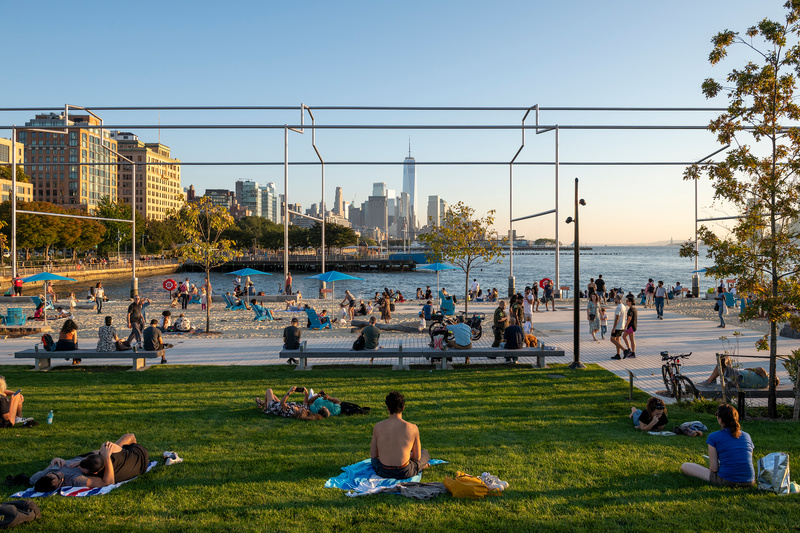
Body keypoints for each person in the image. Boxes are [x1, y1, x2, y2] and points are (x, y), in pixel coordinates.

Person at [32, 433, 150, 491]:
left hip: (92, 458)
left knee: (110, 448)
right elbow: (108, 483)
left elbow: (33, 479)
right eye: (59, 478)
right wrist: (106, 457)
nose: (60, 473)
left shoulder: (38, 478)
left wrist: (55, 460)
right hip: (103, 459)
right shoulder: (76, 479)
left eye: (54, 473)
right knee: (112, 445)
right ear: (58, 485)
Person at [680, 404, 755, 488]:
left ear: (720, 419)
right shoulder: (746, 436)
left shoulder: (713, 437)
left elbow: (714, 468)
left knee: (685, 466)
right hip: (749, 481)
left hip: (727, 480)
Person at [370, 391, 430, 479]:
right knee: (425, 453)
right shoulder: (413, 428)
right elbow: (417, 457)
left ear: (387, 408)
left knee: (374, 461)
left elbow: (374, 456)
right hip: (404, 471)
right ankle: (421, 466)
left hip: (383, 471)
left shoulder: (378, 426)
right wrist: (406, 454)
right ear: (403, 407)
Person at [701, 355, 777, 389]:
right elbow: (748, 369)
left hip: (738, 377)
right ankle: (712, 378)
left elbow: (761, 369)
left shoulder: (766, 379)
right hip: (737, 380)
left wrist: (753, 370)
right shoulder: (764, 384)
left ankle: (709, 380)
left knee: (724, 360)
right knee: (722, 365)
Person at [256, 386, 327, 420]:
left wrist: (289, 392)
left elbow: (282, 402)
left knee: (269, 390)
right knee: (273, 396)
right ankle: (261, 403)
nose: (301, 408)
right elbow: (305, 402)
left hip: (274, 407)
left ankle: (266, 408)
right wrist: (306, 394)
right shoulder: (304, 409)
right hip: (278, 405)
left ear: (299, 413)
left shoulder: (291, 411)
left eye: (301, 409)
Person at [610, 295, 627, 360]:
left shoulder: (618, 307)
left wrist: (614, 327)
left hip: (618, 326)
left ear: (617, 299)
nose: (614, 300)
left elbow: (617, 318)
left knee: (612, 339)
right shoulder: (623, 306)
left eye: (615, 299)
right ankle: (618, 354)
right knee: (618, 340)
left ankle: (624, 350)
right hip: (622, 325)